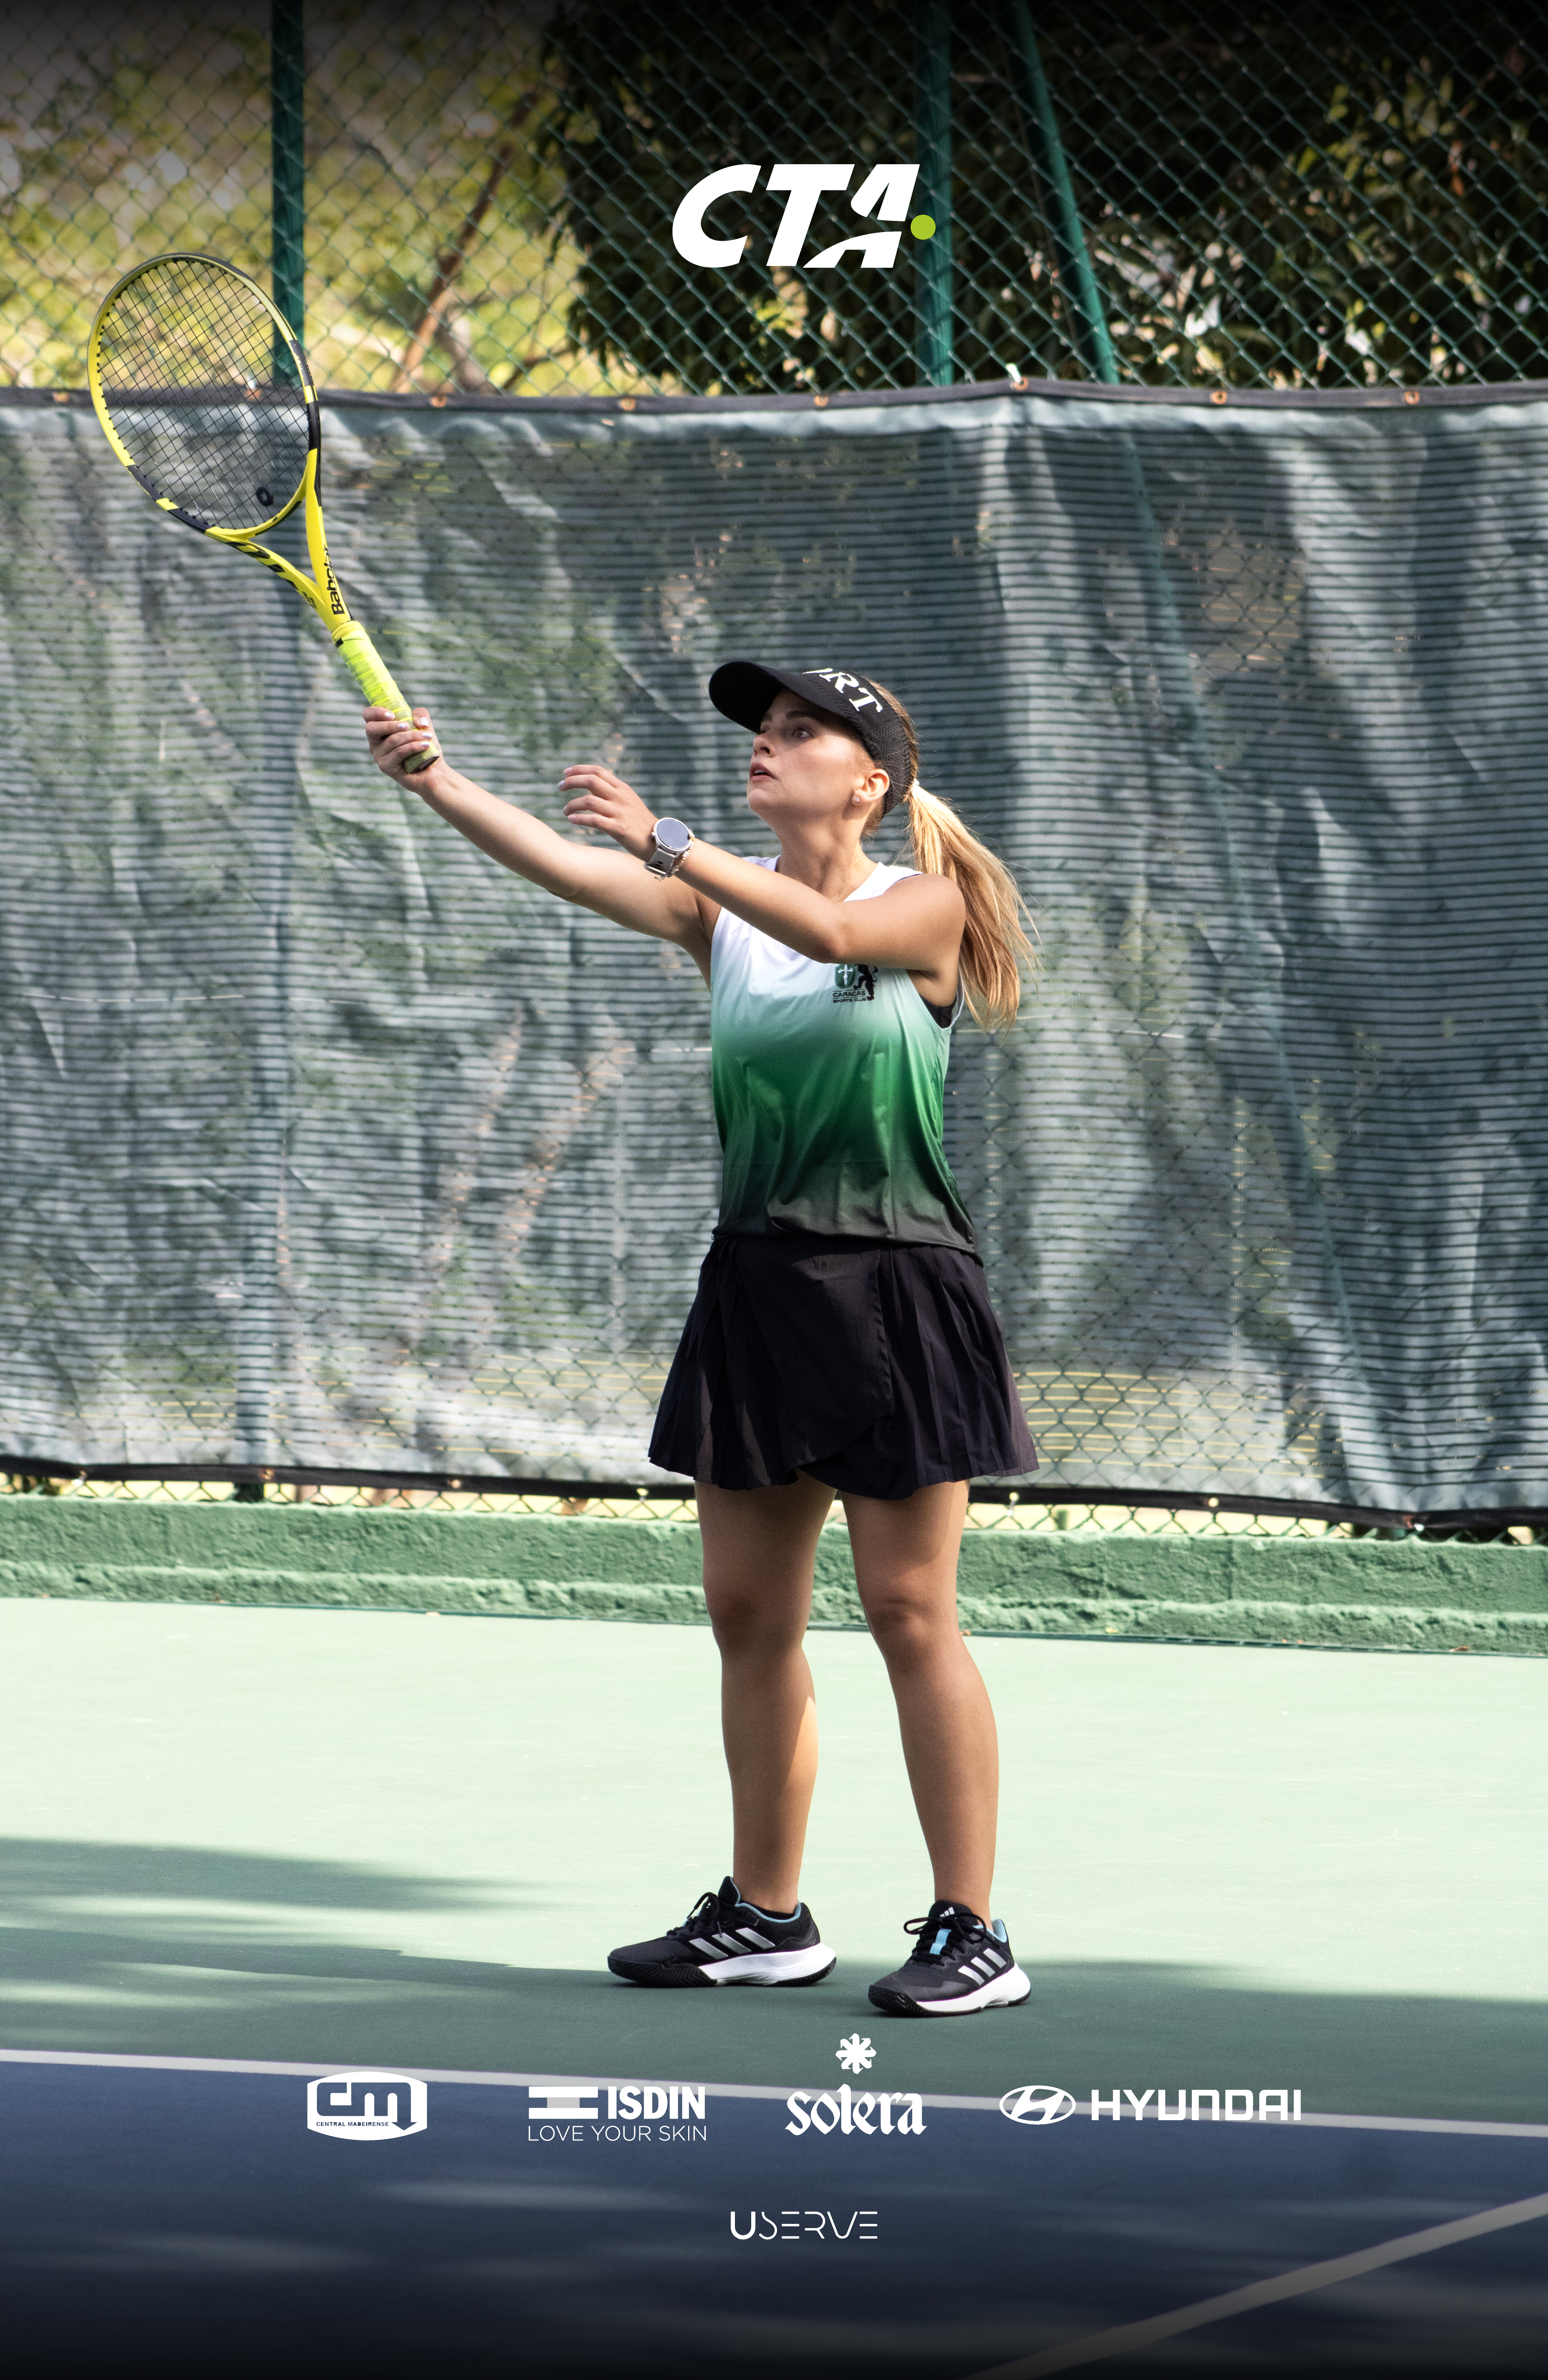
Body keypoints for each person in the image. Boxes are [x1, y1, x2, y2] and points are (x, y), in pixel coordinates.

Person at [365, 660, 1037, 2016]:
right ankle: (767, 1915)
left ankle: (974, 1931)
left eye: (803, 734)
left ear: (874, 781)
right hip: (756, 1287)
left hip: (898, 1290)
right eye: (763, 732)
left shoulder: (924, 905)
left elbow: (835, 939)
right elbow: (564, 866)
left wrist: (676, 840)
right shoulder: (719, 915)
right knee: (746, 1615)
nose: (769, 748)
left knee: (910, 1611)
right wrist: (435, 779)